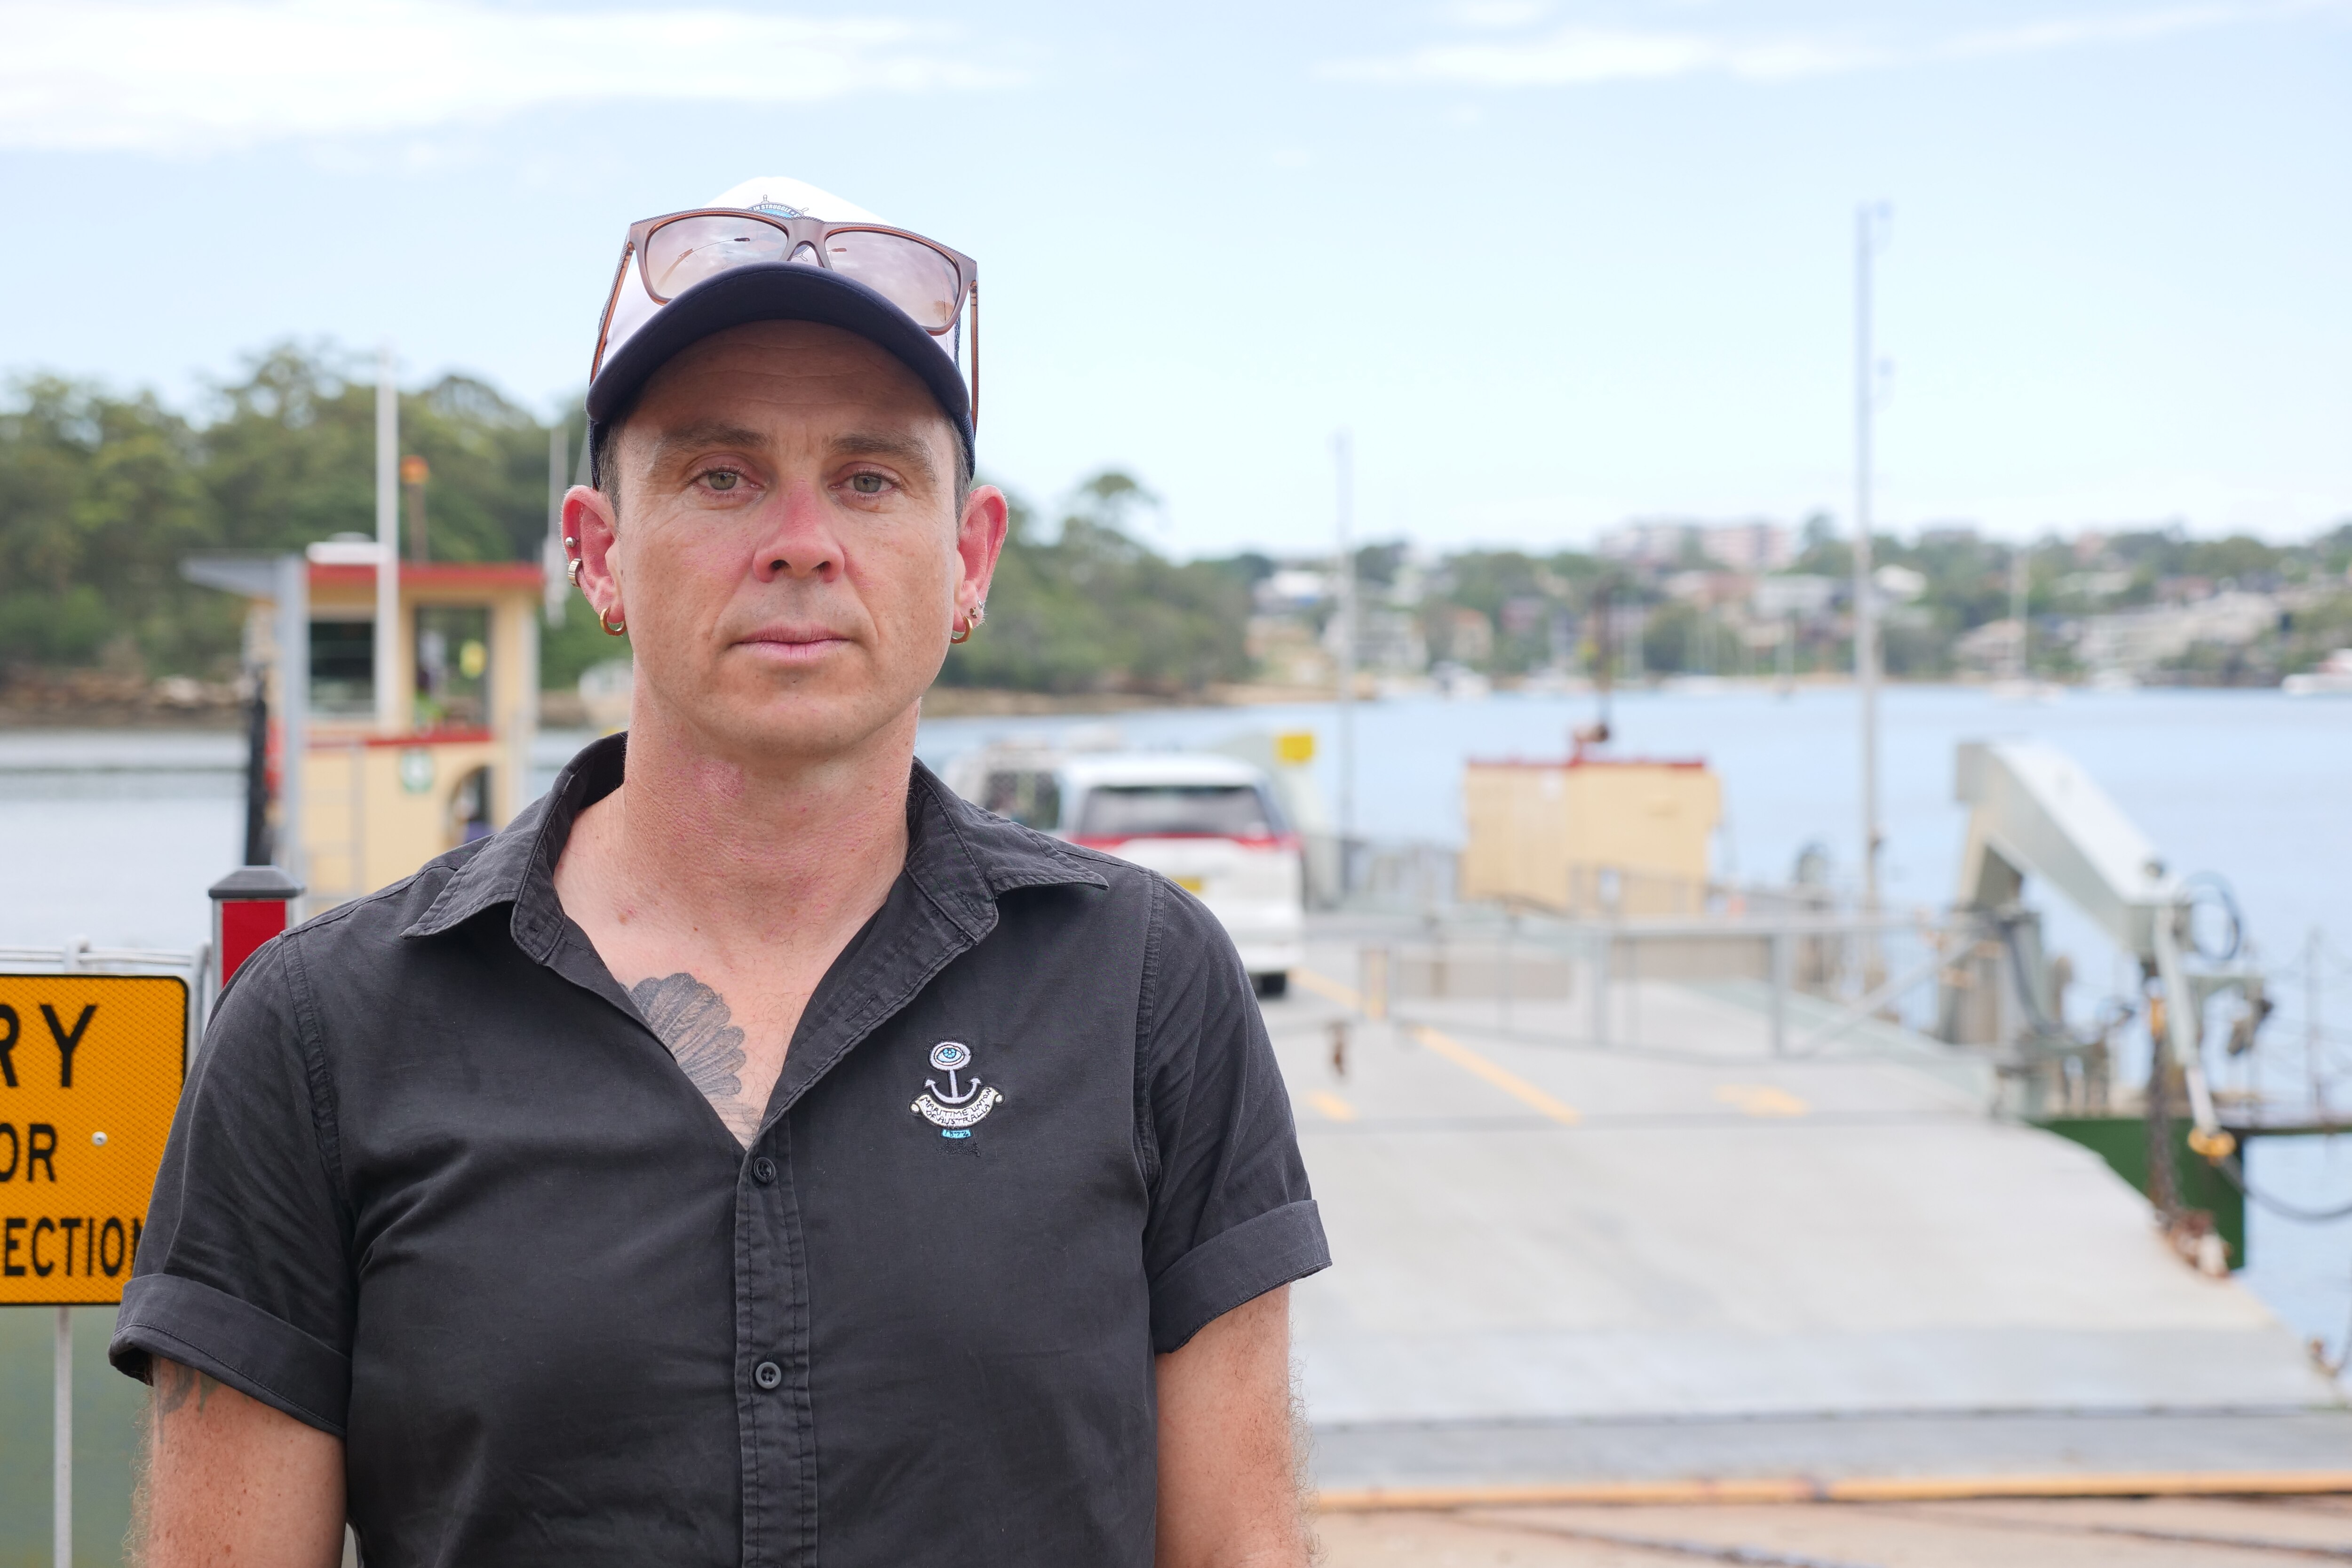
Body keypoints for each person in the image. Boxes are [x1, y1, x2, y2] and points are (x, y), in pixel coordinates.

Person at [113, 176, 1330, 1567]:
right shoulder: (323, 1030)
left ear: (969, 558)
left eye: (871, 478)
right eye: (720, 474)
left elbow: (1242, 1548)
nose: (801, 539)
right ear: (600, 553)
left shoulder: (1147, 988)